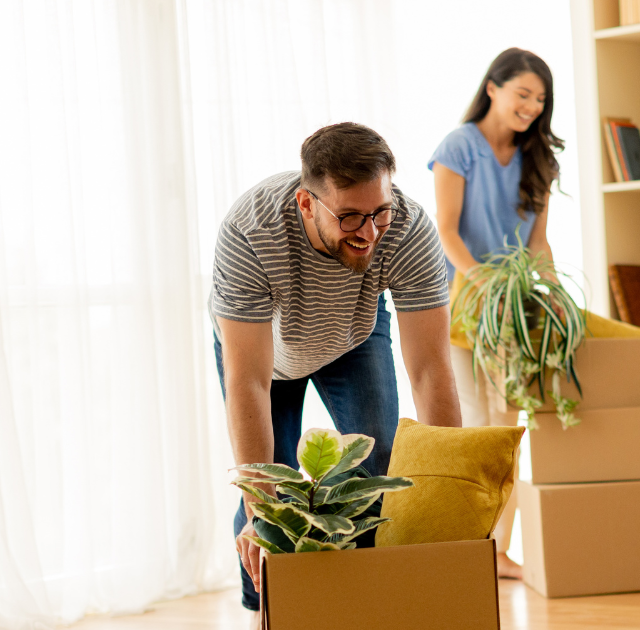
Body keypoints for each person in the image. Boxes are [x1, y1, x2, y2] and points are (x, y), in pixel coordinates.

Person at [211, 122, 462, 621]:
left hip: (353, 333)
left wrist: (447, 491)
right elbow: (249, 382)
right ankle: (269, 611)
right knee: (269, 490)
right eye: (350, 218)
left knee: (377, 460)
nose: (369, 233)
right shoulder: (250, 230)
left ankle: (366, 607)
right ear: (307, 203)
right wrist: (261, 510)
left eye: (380, 212)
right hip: (266, 355)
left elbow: (432, 370)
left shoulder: (407, 228)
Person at [429, 47, 564, 580]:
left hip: (510, 307)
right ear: (493, 89)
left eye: (540, 99)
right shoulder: (458, 147)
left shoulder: (540, 159)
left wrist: (552, 292)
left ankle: (497, 550)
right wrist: (483, 283)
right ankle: (466, 543)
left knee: (508, 426)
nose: (531, 106)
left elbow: (538, 243)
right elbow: (447, 229)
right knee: (473, 421)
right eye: (522, 94)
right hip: (461, 302)